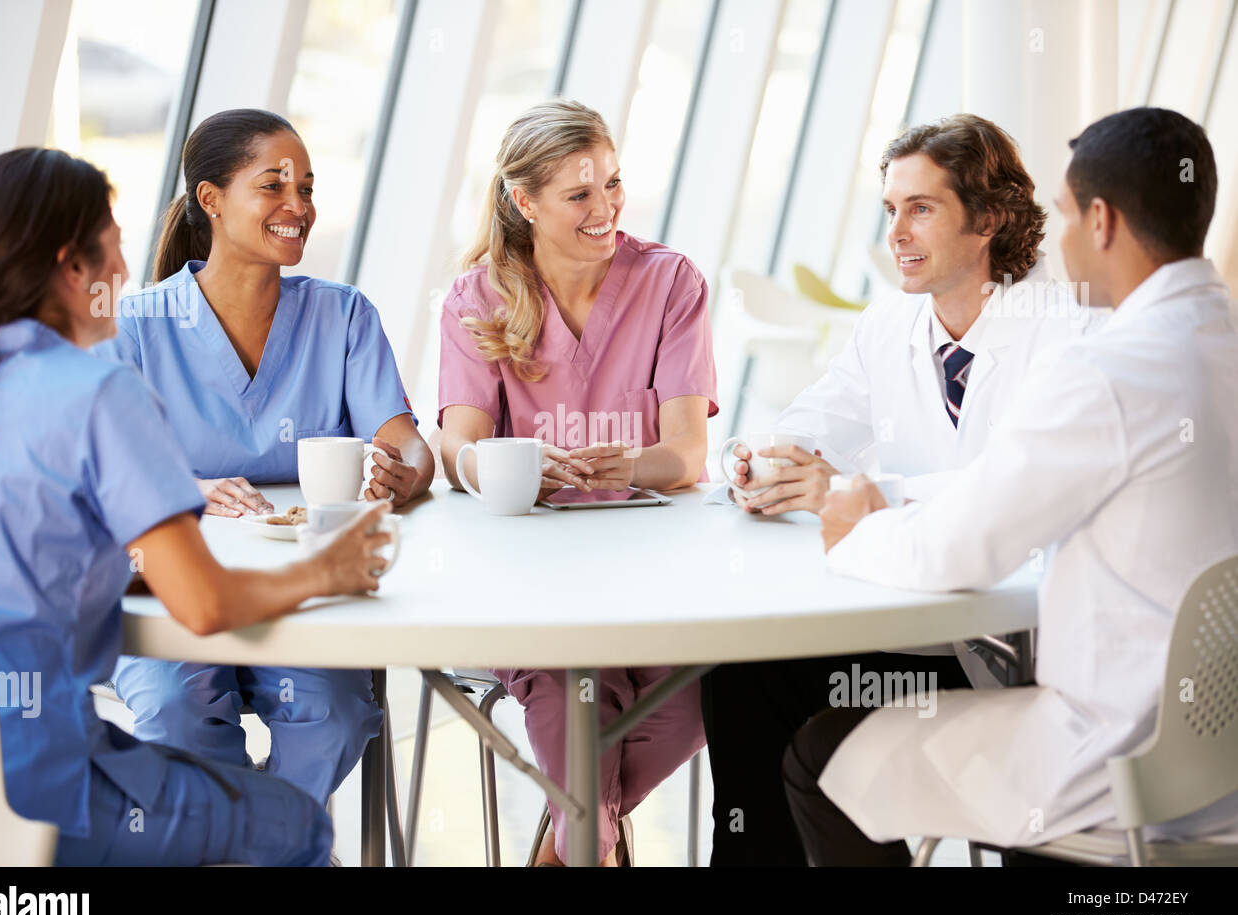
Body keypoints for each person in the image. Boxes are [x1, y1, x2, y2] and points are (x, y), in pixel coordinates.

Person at [785, 106, 1238, 863]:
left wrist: (857, 527)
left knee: (821, 759)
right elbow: (1004, 490)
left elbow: (959, 553)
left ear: (1101, 222)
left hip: (1121, 759)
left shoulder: (1109, 371)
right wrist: (889, 499)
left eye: (1062, 218)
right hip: (1219, 756)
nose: (1054, 245)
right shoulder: (1213, 344)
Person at [0, 147, 396, 865]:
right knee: (297, 828)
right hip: (54, 794)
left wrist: (119, 572)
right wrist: (326, 572)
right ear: (72, 266)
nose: (124, 270)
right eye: (113, 243)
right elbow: (206, 607)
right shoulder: (95, 392)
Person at [702, 114, 1091, 865]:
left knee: (808, 716)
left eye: (921, 208)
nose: (898, 234)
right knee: (743, 677)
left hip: (1018, 653)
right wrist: (755, 463)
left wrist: (863, 492)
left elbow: (1014, 488)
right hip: (911, 634)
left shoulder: (1061, 326)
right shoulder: (890, 325)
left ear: (989, 219)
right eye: (889, 210)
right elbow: (811, 424)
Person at [93, 109, 433, 807]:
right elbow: (96, 473)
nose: (297, 207)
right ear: (211, 200)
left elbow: (405, 439)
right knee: (176, 713)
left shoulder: (342, 315)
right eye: (274, 186)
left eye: (306, 189)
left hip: (309, 592)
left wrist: (406, 469)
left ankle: (263, 848)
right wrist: (183, 485)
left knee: (335, 716)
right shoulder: (136, 327)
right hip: (172, 588)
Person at [438, 100, 718, 865]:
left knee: (702, 695)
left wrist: (621, 465)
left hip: (653, 580)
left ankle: (568, 846)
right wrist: (513, 467)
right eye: (580, 194)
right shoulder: (476, 298)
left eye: (613, 185)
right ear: (524, 202)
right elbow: (455, 446)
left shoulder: (669, 282)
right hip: (531, 589)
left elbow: (686, 456)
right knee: (570, 694)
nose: (607, 210)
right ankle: (587, 845)